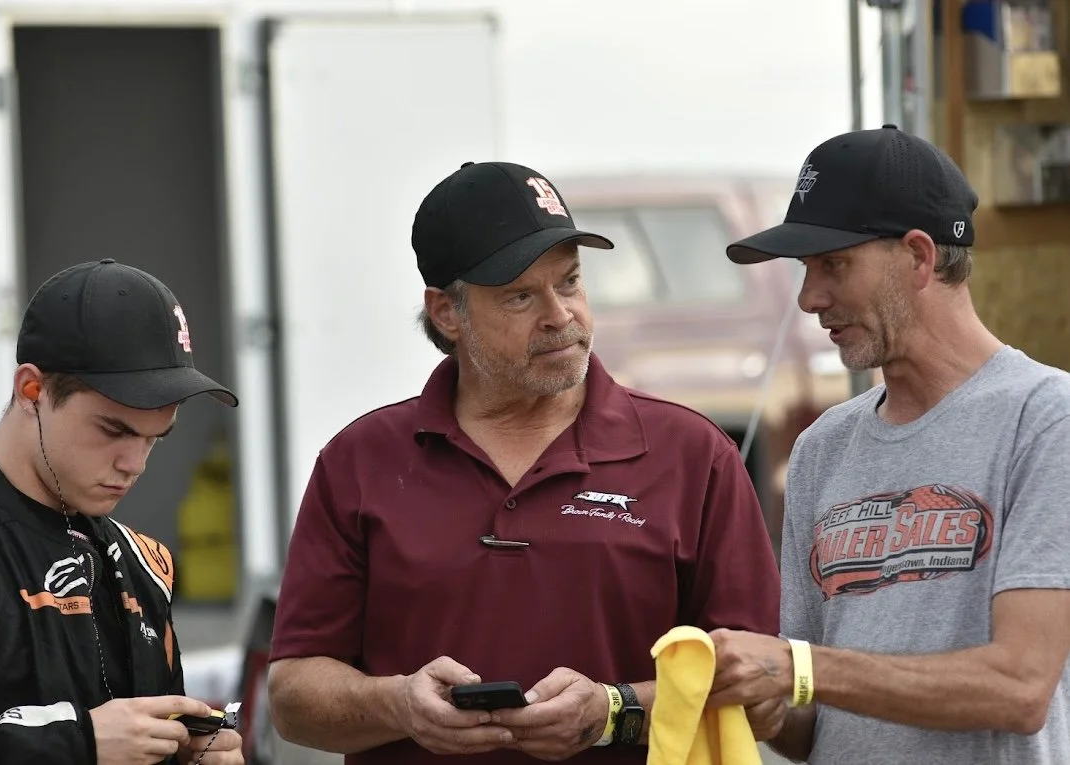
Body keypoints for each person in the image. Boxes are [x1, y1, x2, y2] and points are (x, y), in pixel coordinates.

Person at [265, 160, 780, 763]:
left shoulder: (694, 455)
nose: (560, 316)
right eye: (520, 296)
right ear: (447, 313)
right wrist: (398, 705)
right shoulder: (358, 462)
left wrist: (614, 712)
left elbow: (763, 691)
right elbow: (292, 698)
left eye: (570, 282)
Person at [708, 124, 1070, 764]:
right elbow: (809, 718)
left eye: (833, 264)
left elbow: (1019, 688)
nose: (809, 298)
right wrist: (768, 705)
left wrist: (797, 667)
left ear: (919, 258)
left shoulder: (1045, 418)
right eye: (805, 269)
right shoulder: (823, 447)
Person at [0, 259, 245, 765]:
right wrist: (79, 743)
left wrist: (193, 754)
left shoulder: (146, 563)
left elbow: (137, 741)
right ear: (31, 391)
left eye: (155, 438)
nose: (135, 464)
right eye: (114, 430)